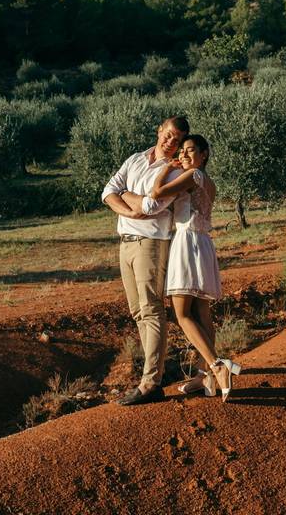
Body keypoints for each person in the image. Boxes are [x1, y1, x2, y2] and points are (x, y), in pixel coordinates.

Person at [125, 135, 240, 402]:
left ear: (204, 154)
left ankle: (217, 366)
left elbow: (156, 193)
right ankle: (204, 377)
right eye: (183, 151)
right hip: (203, 243)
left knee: (182, 314)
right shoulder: (208, 182)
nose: (185, 156)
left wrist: (166, 168)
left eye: (190, 151)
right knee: (202, 312)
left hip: (187, 243)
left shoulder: (193, 177)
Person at [101, 116, 189, 406]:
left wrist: (124, 196)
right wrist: (128, 206)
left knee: (151, 310)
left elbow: (151, 207)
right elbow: (107, 191)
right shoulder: (136, 158)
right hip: (126, 242)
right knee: (137, 311)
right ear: (159, 131)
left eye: (176, 139)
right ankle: (151, 379)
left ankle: (151, 382)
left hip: (151, 244)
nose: (170, 142)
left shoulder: (175, 171)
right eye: (168, 135)